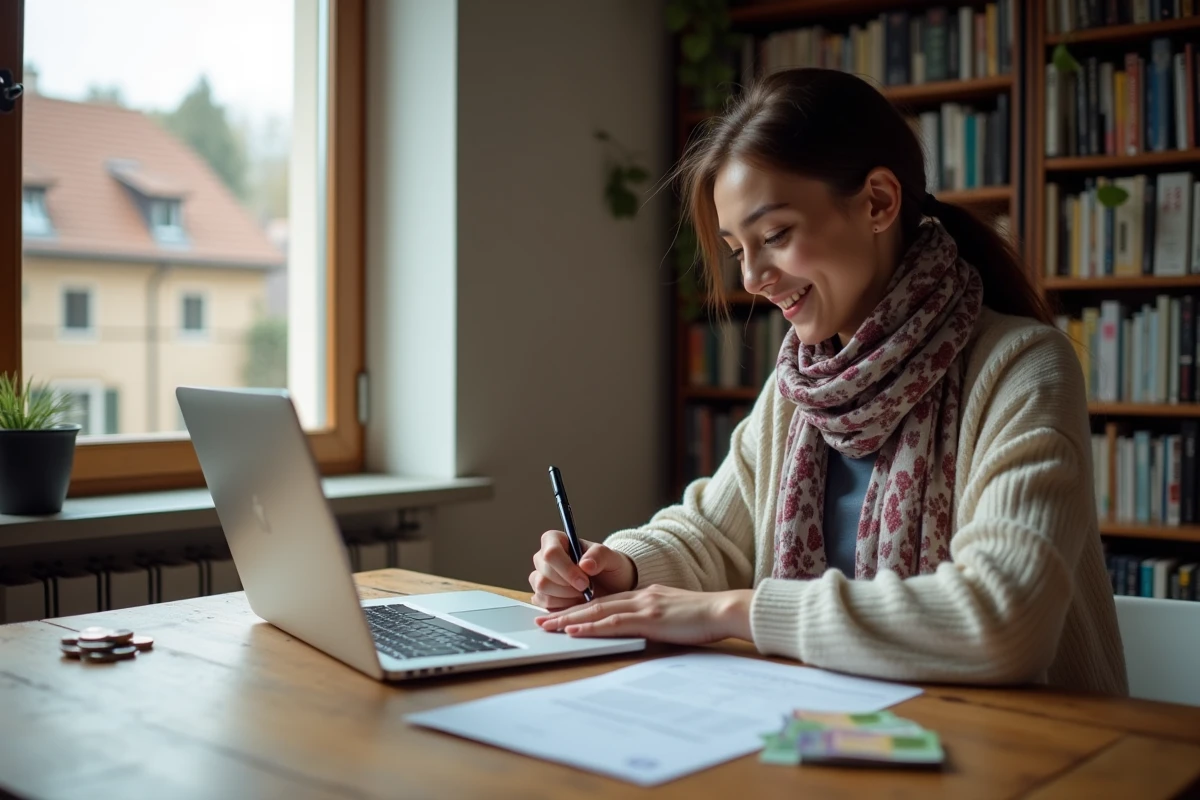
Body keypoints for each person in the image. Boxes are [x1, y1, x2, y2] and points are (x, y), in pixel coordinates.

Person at [529, 68, 1127, 695]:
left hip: (1027, 753)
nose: (753, 277)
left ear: (877, 202)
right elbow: (710, 536)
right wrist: (615, 567)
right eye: (738, 248)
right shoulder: (802, 387)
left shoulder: (1023, 368)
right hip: (837, 728)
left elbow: (1006, 620)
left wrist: (734, 612)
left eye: (776, 235)